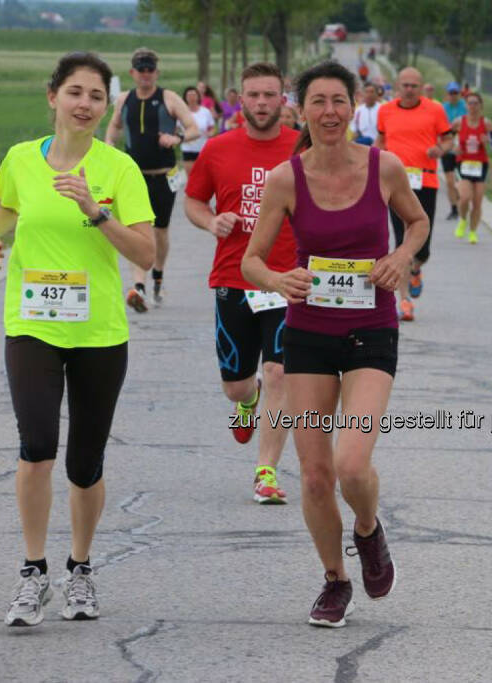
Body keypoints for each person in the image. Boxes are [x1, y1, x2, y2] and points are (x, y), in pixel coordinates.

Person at [240, 60, 429, 627]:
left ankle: (368, 531)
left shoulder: (385, 167)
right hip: (308, 334)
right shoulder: (286, 179)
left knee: (351, 464)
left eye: (338, 102)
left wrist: (399, 257)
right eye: (317, 102)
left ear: (355, 107)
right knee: (317, 474)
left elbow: (417, 224)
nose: (328, 113)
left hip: (371, 328)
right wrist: (277, 280)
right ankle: (334, 580)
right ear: (300, 109)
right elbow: (251, 259)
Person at [0, 52, 155, 628]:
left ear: (107, 106)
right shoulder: (21, 160)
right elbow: (5, 206)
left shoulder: (118, 169)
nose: (85, 104)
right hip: (32, 325)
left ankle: (81, 569)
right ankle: (34, 572)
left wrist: (96, 212)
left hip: (99, 331)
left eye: (97, 96)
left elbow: (145, 254)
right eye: (75, 92)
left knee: (84, 462)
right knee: (37, 447)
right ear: (52, 96)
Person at [184, 63, 298, 504]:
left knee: (279, 372)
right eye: (254, 95)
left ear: (283, 97)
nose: (263, 103)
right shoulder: (218, 148)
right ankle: (246, 401)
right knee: (237, 384)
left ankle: (266, 471)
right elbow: (194, 200)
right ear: (240, 99)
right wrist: (212, 220)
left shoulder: (302, 149)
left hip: (288, 280)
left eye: (270, 95)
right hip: (233, 276)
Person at [105, 48, 199, 312]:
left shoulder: (168, 98)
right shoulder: (124, 99)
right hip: (133, 177)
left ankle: (157, 274)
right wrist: (109, 144)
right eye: (141, 70)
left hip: (163, 176)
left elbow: (193, 128)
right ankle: (139, 286)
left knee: (159, 231)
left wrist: (176, 139)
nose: (145, 75)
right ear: (132, 73)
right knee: (136, 230)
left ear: (156, 72)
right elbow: (114, 125)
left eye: (150, 70)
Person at [374, 66, 453, 321]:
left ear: (421, 87)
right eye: (405, 85)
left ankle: (417, 268)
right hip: (395, 184)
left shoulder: (435, 110)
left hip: (425, 182)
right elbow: (381, 141)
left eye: (414, 86)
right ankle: (405, 300)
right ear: (397, 87)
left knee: (422, 248)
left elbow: (448, 139)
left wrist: (439, 150)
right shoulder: (385, 111)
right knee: (401, 241)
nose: (409, 90)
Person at [452, 92, 492, 245]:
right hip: (463, 164)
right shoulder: (458, 122)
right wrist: (453, 148)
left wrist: (487, 142)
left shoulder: (487, 124)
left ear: (480, 105)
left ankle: (472, 231)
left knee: (477, 201)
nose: (473, 106)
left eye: (476, 103)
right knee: (464, 197)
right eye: (470, 103)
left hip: (480, 165)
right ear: (466, 105)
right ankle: (463, 219)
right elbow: (446, 139)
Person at [440, 81, 467, 220]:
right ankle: (454, 209)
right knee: (450, 182)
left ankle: (462, 205)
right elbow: (441, 128)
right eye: (451, 93)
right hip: (447, 149)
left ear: (459, 94)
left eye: (455, 93)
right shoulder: (443, 108)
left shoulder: (465, 107)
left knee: (461, 181)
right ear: (447, 94)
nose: (453, 96)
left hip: (462, 149)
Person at [180, 86, 216, 174]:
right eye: (189, 95)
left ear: (198, 97)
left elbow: (212, 128)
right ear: (185, 97)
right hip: (188, 148)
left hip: (203, 148)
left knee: (203, 176)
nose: (191, 97)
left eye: (194, 94)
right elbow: (175, 129)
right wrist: (180, 136)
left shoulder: (205, 112)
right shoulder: (181, 112)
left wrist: (210, 133)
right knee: (191, 176)